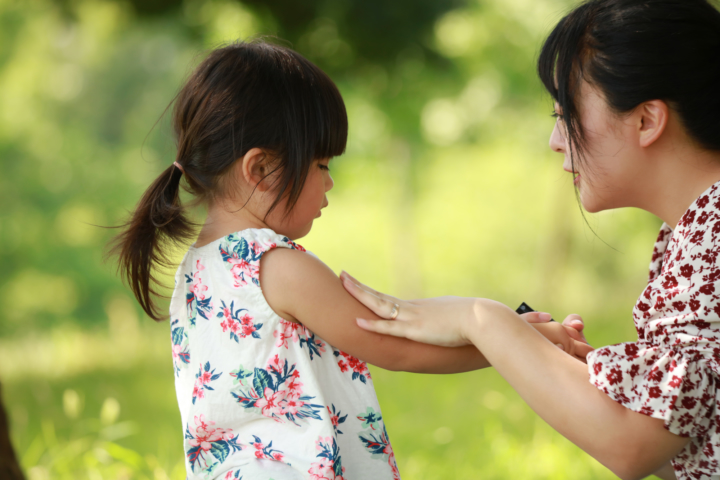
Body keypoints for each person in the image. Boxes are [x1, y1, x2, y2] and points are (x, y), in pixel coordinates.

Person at [110, 41, 589, 479]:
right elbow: (398, 344)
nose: (329, 183)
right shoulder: (277, 268)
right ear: (260, 169)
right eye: (321, 165)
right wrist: (524, 339)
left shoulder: (194, 273)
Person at [342, 1, 720, 479]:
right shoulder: (688, 234)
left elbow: (633, 447)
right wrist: (564, 371)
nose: (555, 140)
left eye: (565, 114)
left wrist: (481, 320)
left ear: (646, 120)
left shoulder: (713, 235)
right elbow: (686, 451)